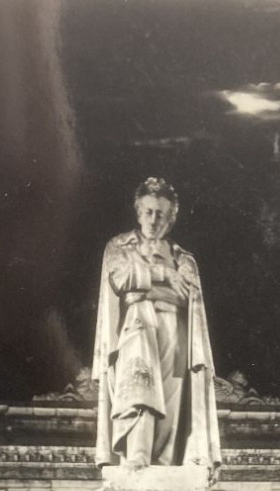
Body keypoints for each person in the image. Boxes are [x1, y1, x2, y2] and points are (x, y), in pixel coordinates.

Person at [92, 178, 221, 470]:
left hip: (176, 330)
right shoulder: (120, 246)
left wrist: (143, 288)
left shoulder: (184, 258)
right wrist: (164, 275)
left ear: (171, 218)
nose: (153, 219)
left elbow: (187, 296)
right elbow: (120, 278)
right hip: (137, 326)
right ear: (138, 212)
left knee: (173, 404)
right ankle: (137, 458)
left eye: (161, 214)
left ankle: (164, 467)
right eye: (148, 212)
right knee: (139, 391)